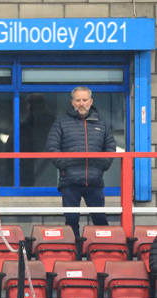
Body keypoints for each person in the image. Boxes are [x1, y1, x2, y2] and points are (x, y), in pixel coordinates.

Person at [46, 85, 117, 238]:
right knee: (71, 222)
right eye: (78, 100)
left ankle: (104, 253)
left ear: (91, 101)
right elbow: (52, 148)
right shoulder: (61, 123)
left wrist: (101, 166)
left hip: (94, 181)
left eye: (84, 100)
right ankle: (74, 256)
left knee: (100, 220)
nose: (81, 103)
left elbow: (110, 147)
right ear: (72, 102)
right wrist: (66, 166)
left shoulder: (102, 124)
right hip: (70, 182)